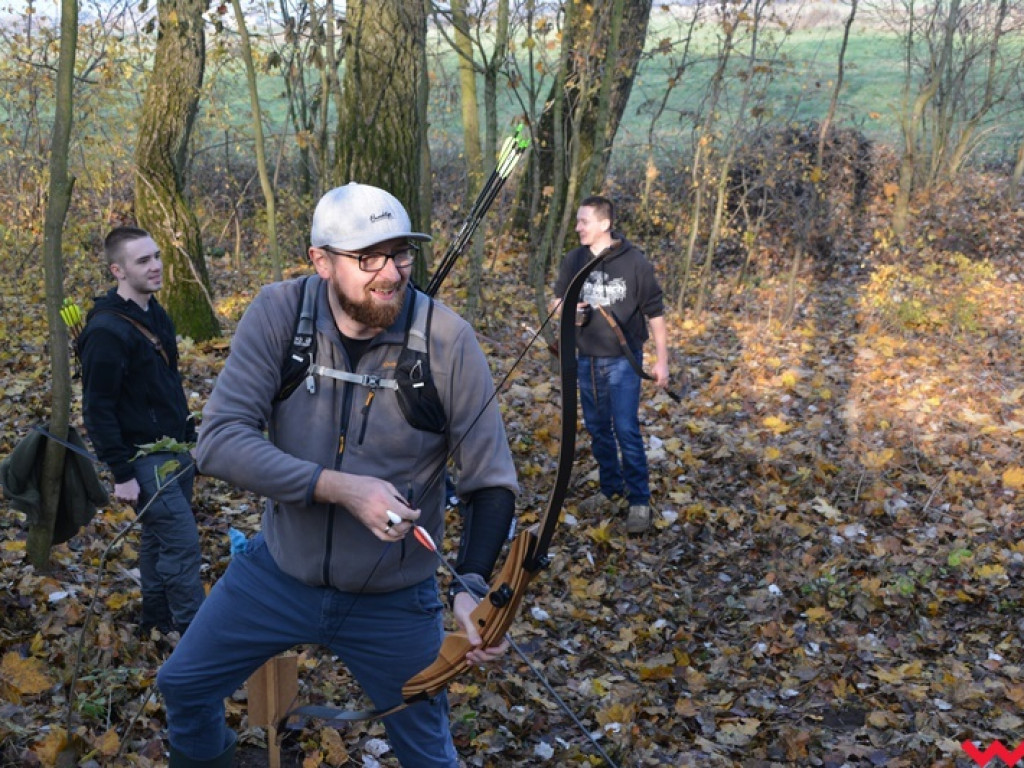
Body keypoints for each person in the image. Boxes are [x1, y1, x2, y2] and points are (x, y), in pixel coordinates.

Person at [157, 183, 519, 768]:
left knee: (427, 749)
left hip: (394, 600)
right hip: (276, 574)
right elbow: (220, 442)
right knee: (183, 685)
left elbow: (492, 480)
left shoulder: (447, 340)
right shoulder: (280, 314)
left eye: (401, 253)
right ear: (321, 261)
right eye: (368, 257)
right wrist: (343, 488)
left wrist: (471, 589)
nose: (392, 274)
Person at [79, 226, 204, 636]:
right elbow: (97, 409)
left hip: (175, 452)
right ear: (118, 270)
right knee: (182, 545)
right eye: (143, 261)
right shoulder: (105, 333)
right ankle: (195, 636)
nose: (155, 266)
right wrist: (122, 473)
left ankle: (156, 622)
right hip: (142, 460)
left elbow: (167, 384)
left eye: (156, 256)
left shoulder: (156, 313)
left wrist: (189, 442)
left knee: (157, 541)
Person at [551, 195, 669, 535]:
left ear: (604, 224)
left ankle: (639, 501)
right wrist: (568, 311)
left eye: (583, 221)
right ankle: (610, 489)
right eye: (577, 221)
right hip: (585, 360)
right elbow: (558, 299)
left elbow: (656, 314)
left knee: (626, 430)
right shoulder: (574, 260)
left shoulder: (635, 263)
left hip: (622, 362)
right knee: (598, 428)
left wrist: (663, 361)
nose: (578, 228)